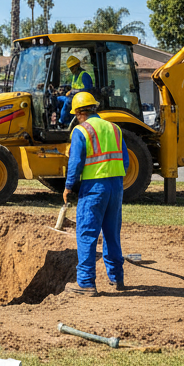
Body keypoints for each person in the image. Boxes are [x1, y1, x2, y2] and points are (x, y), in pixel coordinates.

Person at [62, 92, 127, 294]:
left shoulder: (81, 130)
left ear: (79, 113)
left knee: (87, 233)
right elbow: (125, 160)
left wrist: (69, 186)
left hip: (94, 188)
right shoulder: (114, 128)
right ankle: (117, 278)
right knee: (111, 234)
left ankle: (86, 283)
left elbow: (75, 162)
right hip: (116, 187)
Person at [56, 55, 95, 127]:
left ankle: (61, 122)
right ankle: (57, 118)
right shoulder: (75, 75)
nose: (71, 70)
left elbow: (88, 89)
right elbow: (73, 85)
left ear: (77, 65)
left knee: (67, 102)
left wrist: (73, 91)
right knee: (57, 99)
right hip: (74, 97)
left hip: (81, 100)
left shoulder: (84, 75)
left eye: (72, 68)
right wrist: (63, 87)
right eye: (70, 69)